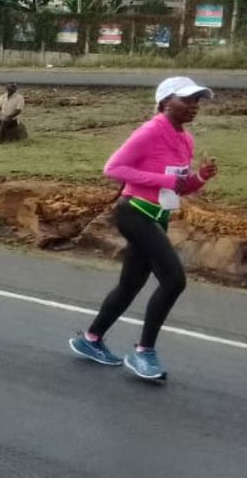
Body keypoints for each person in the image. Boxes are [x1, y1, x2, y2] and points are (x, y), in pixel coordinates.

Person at [69, 77, 216, 382]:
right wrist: (164, 180)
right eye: (187, 99)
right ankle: (144, 352)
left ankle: (91, 339)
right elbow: (113, 168)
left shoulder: (185, 139)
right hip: (135, 212)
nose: (194, 106)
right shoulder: (150, 131)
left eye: (197, 100)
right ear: (165, 102)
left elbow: (178, 186)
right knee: (174, 281)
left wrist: (200, 178)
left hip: (158, 215)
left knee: (131, 284)